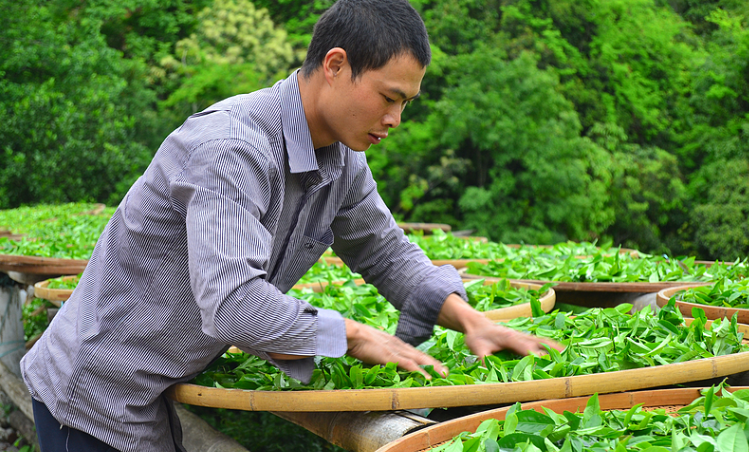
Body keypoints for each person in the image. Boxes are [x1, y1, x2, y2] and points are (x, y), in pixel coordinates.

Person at [21, 0, 562, 450]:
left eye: (406, 104)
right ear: (334, 65)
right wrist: (350, 335)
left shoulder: (343, 160)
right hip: (95, 391)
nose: (395, 120)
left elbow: (383, 251)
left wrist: (469, 319)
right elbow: (233, 303)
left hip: (151, 386)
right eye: (388, 98)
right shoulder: (232, 148)